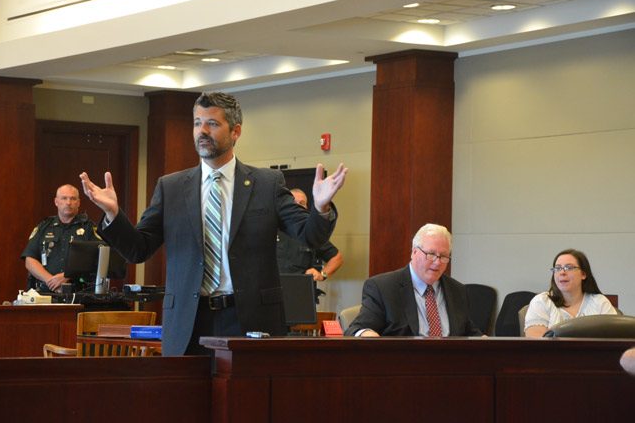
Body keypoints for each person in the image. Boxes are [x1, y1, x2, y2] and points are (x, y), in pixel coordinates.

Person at [80, 91, 347, 356]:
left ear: (236, 132)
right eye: (197, 123)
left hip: (250, 320)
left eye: (213, 123)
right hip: (189, 321)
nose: (202, 131)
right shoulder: (171, 187)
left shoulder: (266, 184)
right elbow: (139, 249)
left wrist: (321, 207)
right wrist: (113, 214)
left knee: (245, 399)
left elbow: (309, 235)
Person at [344, 223, 482, 337]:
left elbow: (469, 332)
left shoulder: (457, 290)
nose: (437, 262)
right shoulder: (383, 288)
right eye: (431, 254)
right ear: (414, 252)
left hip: (450, 366)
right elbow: (357, 328)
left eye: (444, 256)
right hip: (403, 365)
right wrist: (369, 336)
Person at [21, 184, 100, 293]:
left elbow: (99, 257)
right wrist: (51, 281)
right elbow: (29, 260)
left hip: (79, 294)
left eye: (73, 198)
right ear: (56, 202)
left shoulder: (89, 228)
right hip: (45, 294)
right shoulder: (43, 227)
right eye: (64, 198)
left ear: (78, 203)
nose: (68, 202)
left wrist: (67, 275)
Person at [524, 248, 617, 338]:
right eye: (557, 268)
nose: (562, 272)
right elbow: (536, 344)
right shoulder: (541, 301)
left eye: (569, 267)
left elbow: (614, 340)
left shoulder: (600, 302)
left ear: (583, 274)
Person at [276, 188, 343, 294]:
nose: (297, 206)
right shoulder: (271, 228)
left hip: (301, 293)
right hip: (272, 293)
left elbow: (337, 258)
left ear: (306, 208)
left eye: (301, 203)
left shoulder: (310, 235)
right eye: (293, 203)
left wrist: (322, 274)